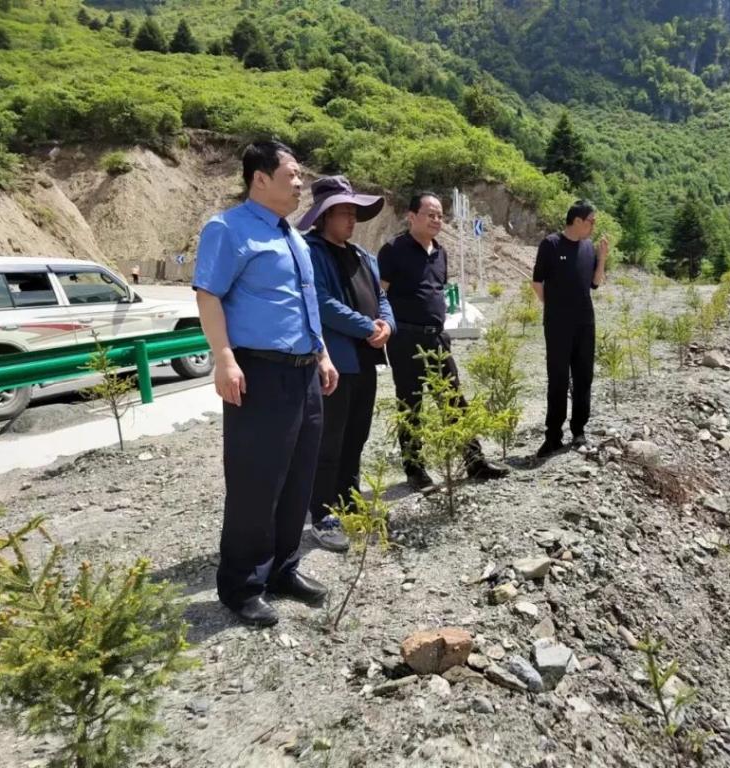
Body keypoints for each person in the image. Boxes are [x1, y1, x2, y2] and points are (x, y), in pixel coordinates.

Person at [193, 140, 339, 628]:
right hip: (259, 371)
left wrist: (322, 354)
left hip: (304, 371)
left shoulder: (293, 235)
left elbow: (304, 302)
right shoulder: (228, 229)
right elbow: (208, 296)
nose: (300, 183)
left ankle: (283, 569)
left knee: (298, 477)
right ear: (260, 178)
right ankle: (241, 585)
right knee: (256, 482)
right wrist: (224, 359)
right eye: (292, 174)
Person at [378, 191, 508, 490]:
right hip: (405, 339)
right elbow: (379, 294)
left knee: (454, 400)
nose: (437, 220)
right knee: (411, 404)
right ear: (412, 216)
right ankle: (415, 470)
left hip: (437, 337)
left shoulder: (441, 252)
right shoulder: (393, 250)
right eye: (430, 214)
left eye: (440, 215)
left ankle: (474, 461)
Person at [296, 175, 394, 552]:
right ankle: (322, 513)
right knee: (329, 441)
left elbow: (381, 299)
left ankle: (349, 500)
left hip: (366, 359)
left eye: (354, 212)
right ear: (324, 216)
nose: (352, 219)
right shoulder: (311, 252)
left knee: (356, 436)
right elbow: (321, 302)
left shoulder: (362, 256)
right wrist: (368, 326)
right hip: (334, 362)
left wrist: (387, 326)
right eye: (344, 212)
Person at [532, 199, 608, 458]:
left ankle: (579, 431)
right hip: (558, 324)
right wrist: (554, 307)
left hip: (585, 322)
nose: (593, 226)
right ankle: (553, 435)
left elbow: (595, 283)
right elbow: (537, 282)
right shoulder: (551, 244)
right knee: (558, 378)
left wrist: (602, 258)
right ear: (577, 221)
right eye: (591, 221)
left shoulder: (588, 247)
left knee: (584, 377)